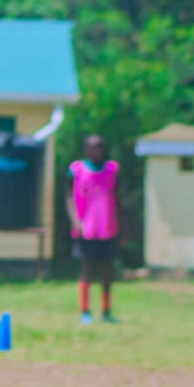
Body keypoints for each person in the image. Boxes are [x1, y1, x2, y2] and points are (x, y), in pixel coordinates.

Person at [66, 134, 121, 325]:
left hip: (107, 227)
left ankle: (106, 310)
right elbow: (68, 197)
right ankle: (84, 311)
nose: (96, 150)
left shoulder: (112, 170)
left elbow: (118, 197)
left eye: (99, 147)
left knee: (107, 271)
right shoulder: (76, 170)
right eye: (92, 147)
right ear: (86, 149)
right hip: (86, 229)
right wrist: (75, 220)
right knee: (87, 269)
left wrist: (121, 223)